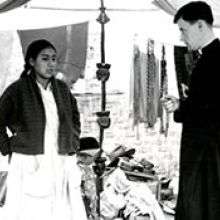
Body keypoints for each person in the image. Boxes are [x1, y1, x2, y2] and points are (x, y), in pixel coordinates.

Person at [0, 39, 87, 220]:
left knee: (63, 208)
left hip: (61, 157)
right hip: (30, 159)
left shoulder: (62, 89)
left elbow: (75, 117)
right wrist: (7, 146)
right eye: (45, 59)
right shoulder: (18, 90)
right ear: (32, 61)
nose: (51, 64)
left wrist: (73, 141)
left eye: (54, 59)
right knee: (31, 210)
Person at [162, 1, 220, 220]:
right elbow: (204, 104)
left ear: (200, 26)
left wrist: (183, 106)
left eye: (183, 30)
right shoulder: (208, 58)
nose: (181, 37)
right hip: (203, 152)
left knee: (204, 208)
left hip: (206, 155)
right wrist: (181, 105)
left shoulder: (214, 60)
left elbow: (211, 110)